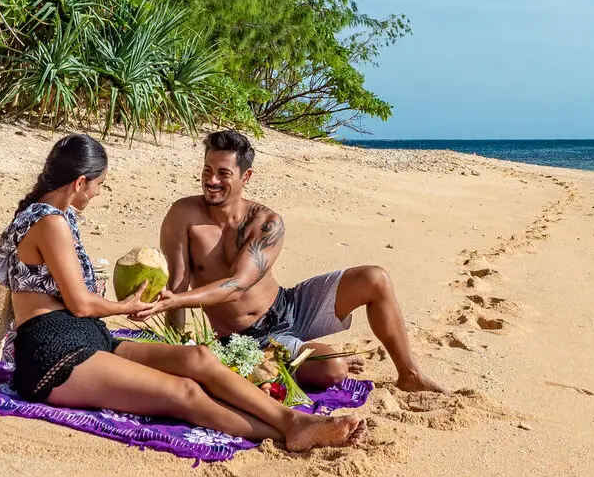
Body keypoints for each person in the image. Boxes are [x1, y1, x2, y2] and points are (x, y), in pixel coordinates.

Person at [0, 133, 364, 452]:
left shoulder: (54, 216)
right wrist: (124, 305)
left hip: (88, 337)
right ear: (79, 183)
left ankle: (291, 419)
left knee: (199, 359)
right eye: (99, 185)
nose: (98, 193)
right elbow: (80, 303)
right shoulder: (50, 222)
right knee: (183, 392)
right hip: (53, 354)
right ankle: (287, 431)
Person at [140, 130, 446, 393]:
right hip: (251, 337)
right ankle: (307, 357)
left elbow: (237, 284)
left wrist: (175, 300)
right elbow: (175, 286)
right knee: (334, 370)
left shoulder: (266, 222)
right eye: (207, 170)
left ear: (246, 176)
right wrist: (178, 351)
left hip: (290, 305)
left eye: (223, 173)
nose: (212, 180)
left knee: (375, 278)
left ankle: (410, 375)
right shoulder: (183, 215)